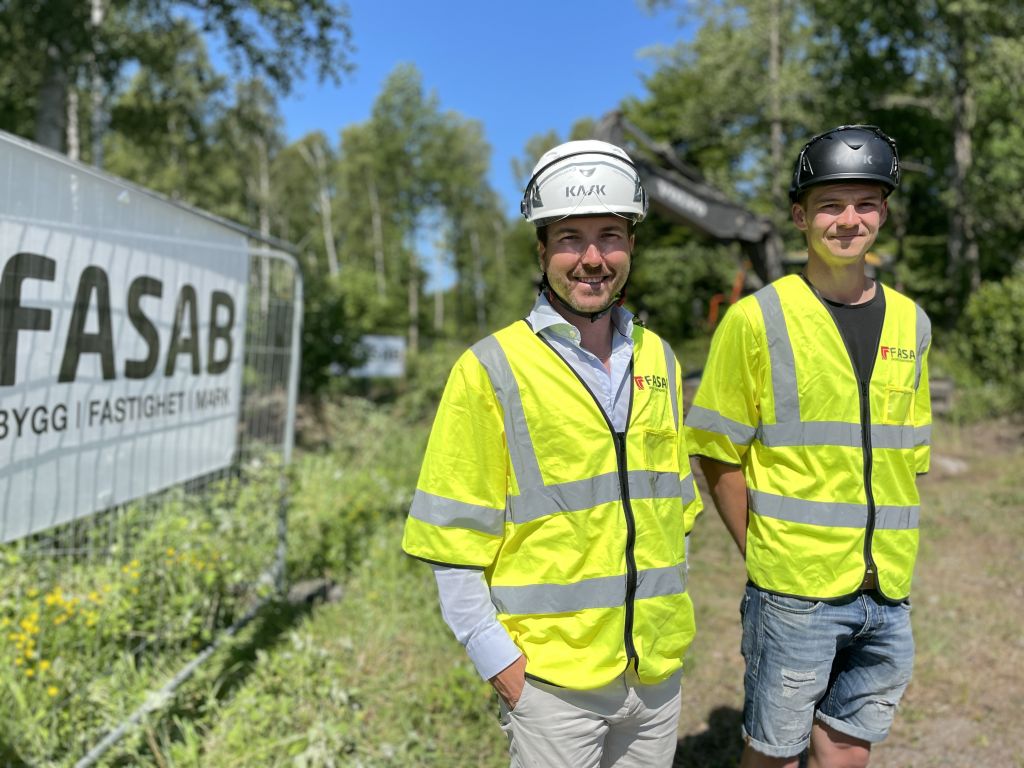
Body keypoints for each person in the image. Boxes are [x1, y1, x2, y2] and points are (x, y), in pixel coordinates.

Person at [402, 139, 704, 768]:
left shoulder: (659, 360)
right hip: (551, 689)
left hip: (654, 679)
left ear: (631, 244)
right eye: (570, 238)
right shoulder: (491, 368)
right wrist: (501, 664)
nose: (592, 258)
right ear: (541, 249)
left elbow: (674, 510)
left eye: (610, 235)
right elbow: (450, 541)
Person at [685, 125, 932, 768]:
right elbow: (715, 452)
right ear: (800, 215)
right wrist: (766, 555)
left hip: (888, 590)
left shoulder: (913, 322)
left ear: (883, 211)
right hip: (794, 594)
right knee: (775, 756)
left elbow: (911, 455)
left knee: (850, 750)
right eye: (830, 204)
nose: (849, 220)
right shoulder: (755, 319)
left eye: (865, 203)